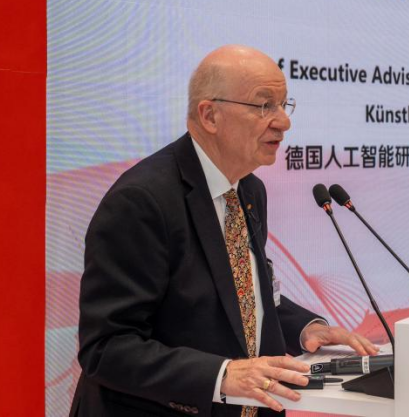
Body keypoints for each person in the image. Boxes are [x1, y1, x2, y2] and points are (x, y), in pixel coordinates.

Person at [71, 45, 378, 417]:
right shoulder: (141, 201)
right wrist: (221, 374)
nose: (283, 122)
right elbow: (107, 347)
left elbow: (239, 295)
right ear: (210, 115)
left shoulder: (248, 189)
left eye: (283, 105)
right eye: (264, 105)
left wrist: (303, 328)